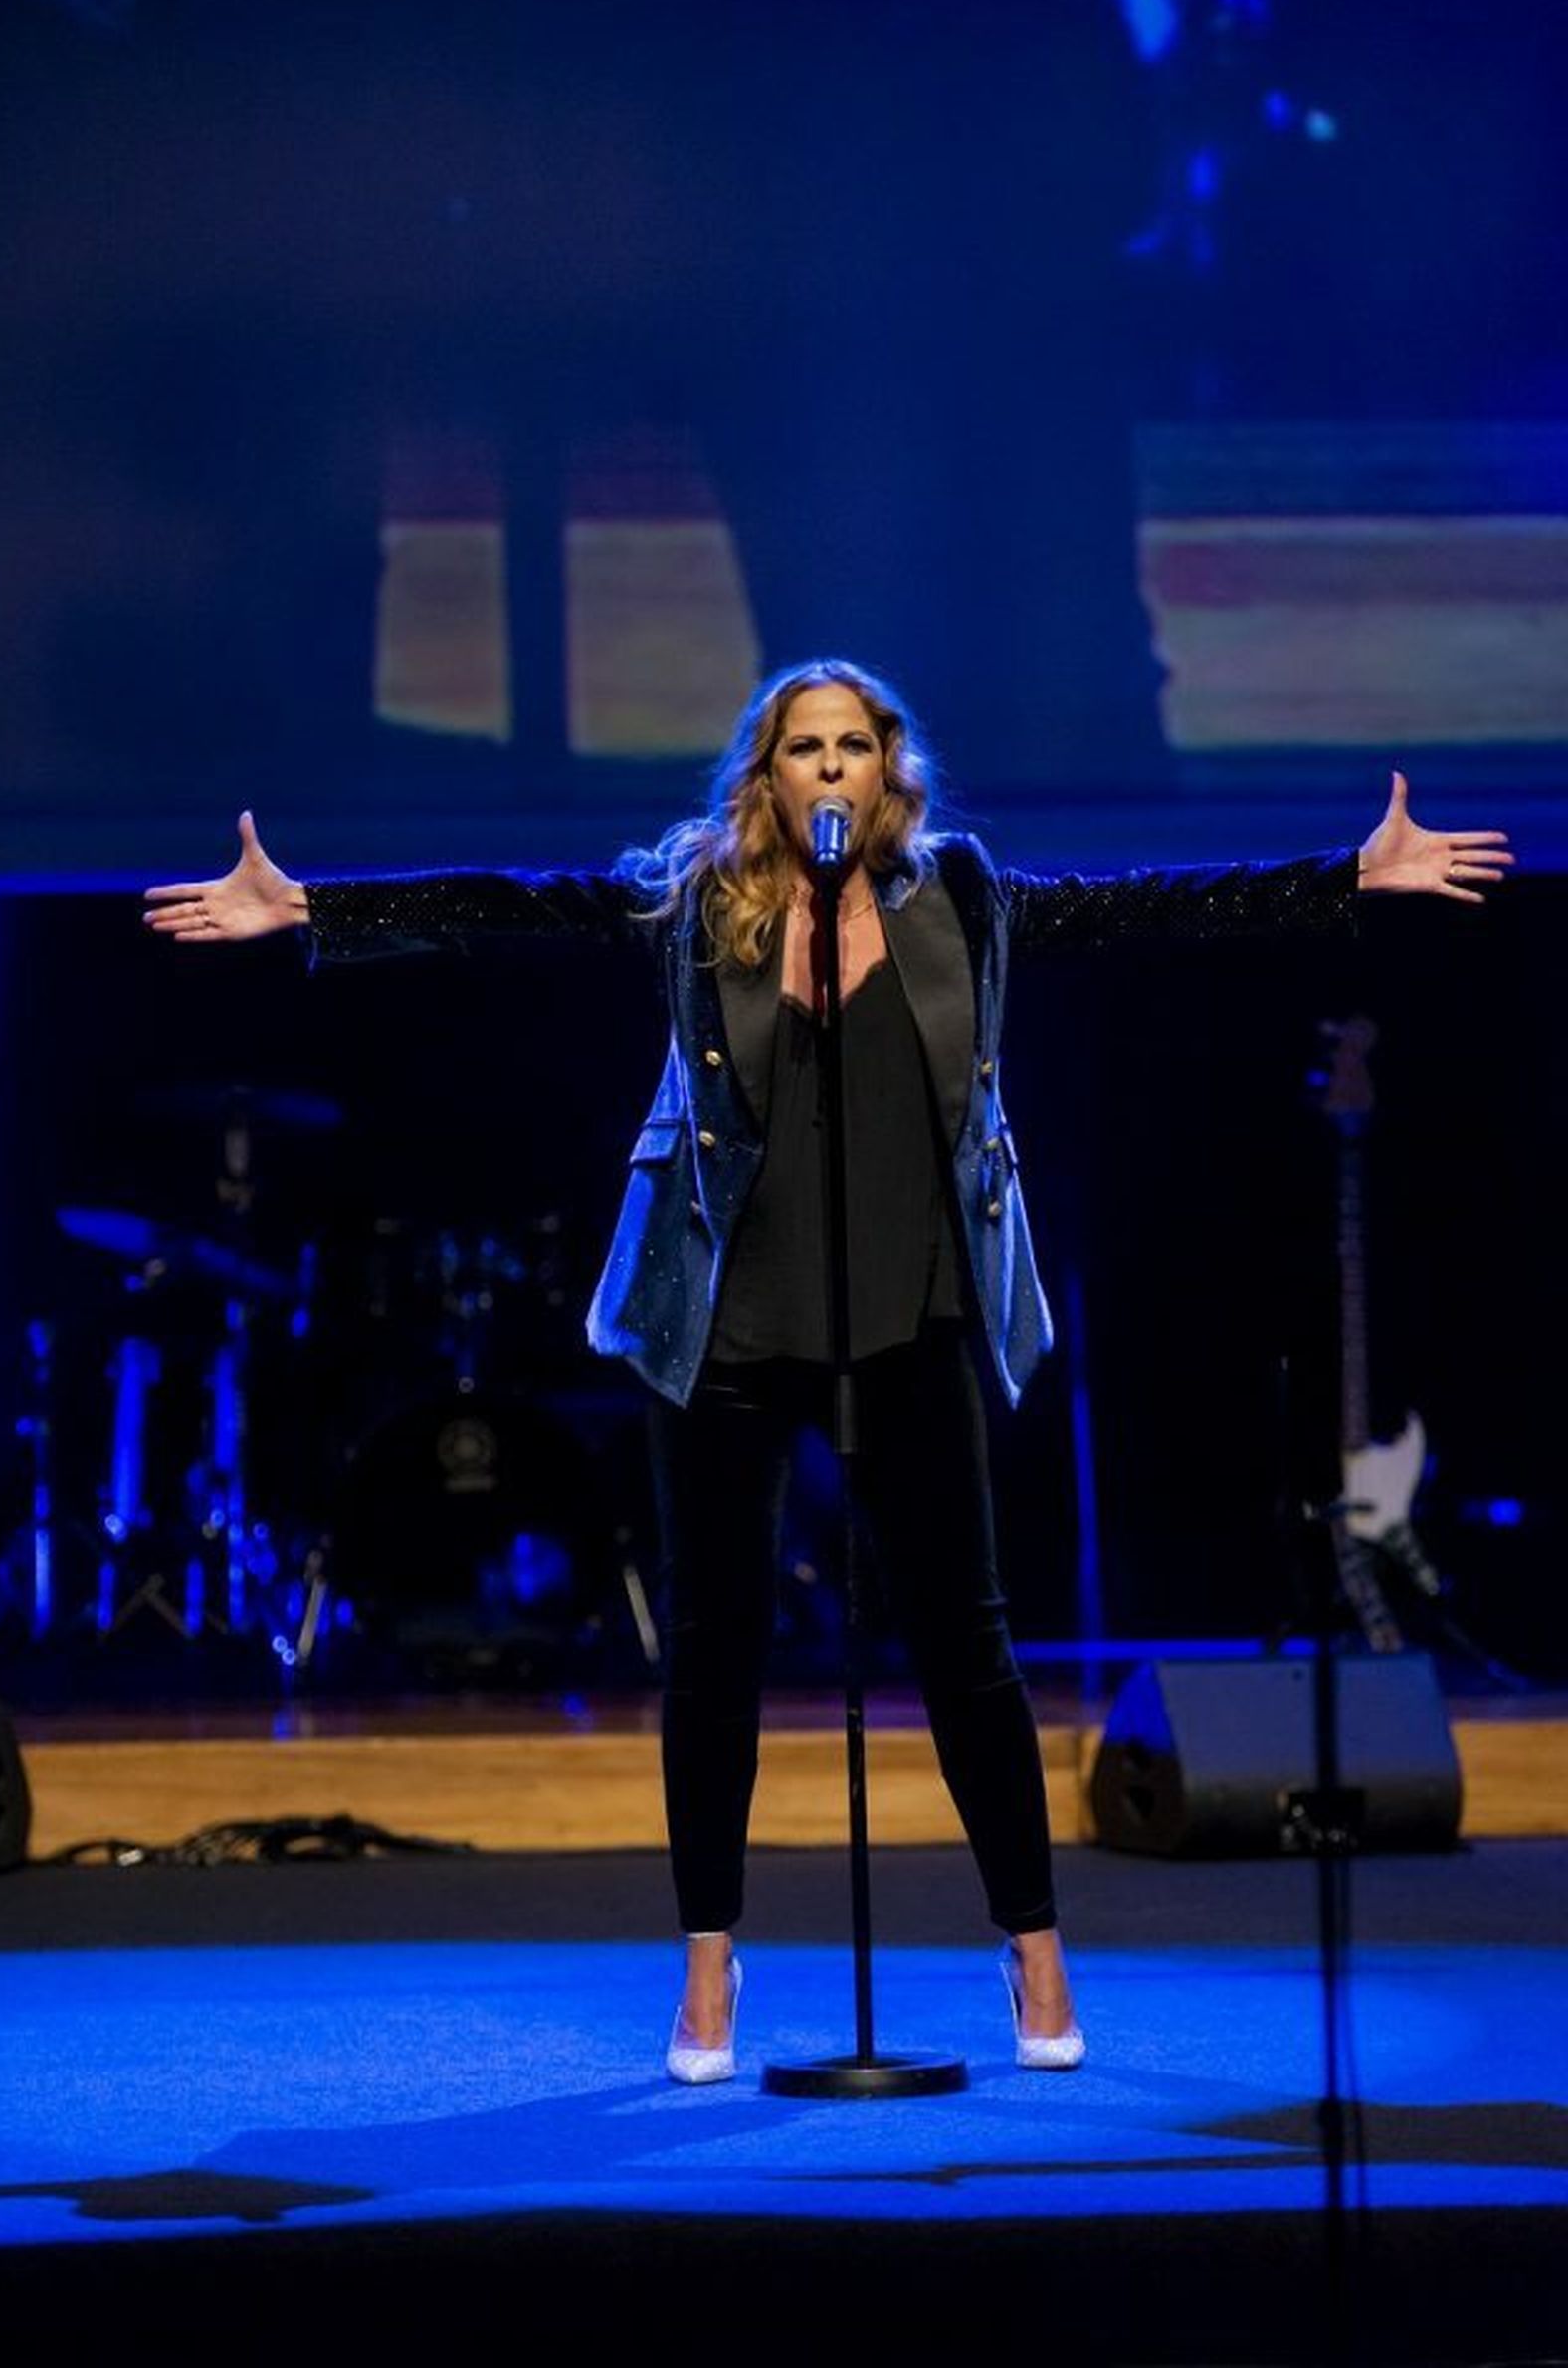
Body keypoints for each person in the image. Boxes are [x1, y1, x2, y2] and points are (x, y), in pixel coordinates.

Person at [143, 657, 1512, 2080]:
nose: (831, 769)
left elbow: (1144, 906)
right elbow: (513, 907)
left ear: (887, 770)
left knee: (968, 1646)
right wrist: (311, 909)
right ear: (770, 774)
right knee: (712, 1651)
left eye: (853, 745)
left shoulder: (959, 896)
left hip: (908, 1315)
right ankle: (708, 1965)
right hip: (728, 1326)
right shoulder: (694, 897)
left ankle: (1034, 1945)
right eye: (805, 748)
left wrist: (1348, 875)